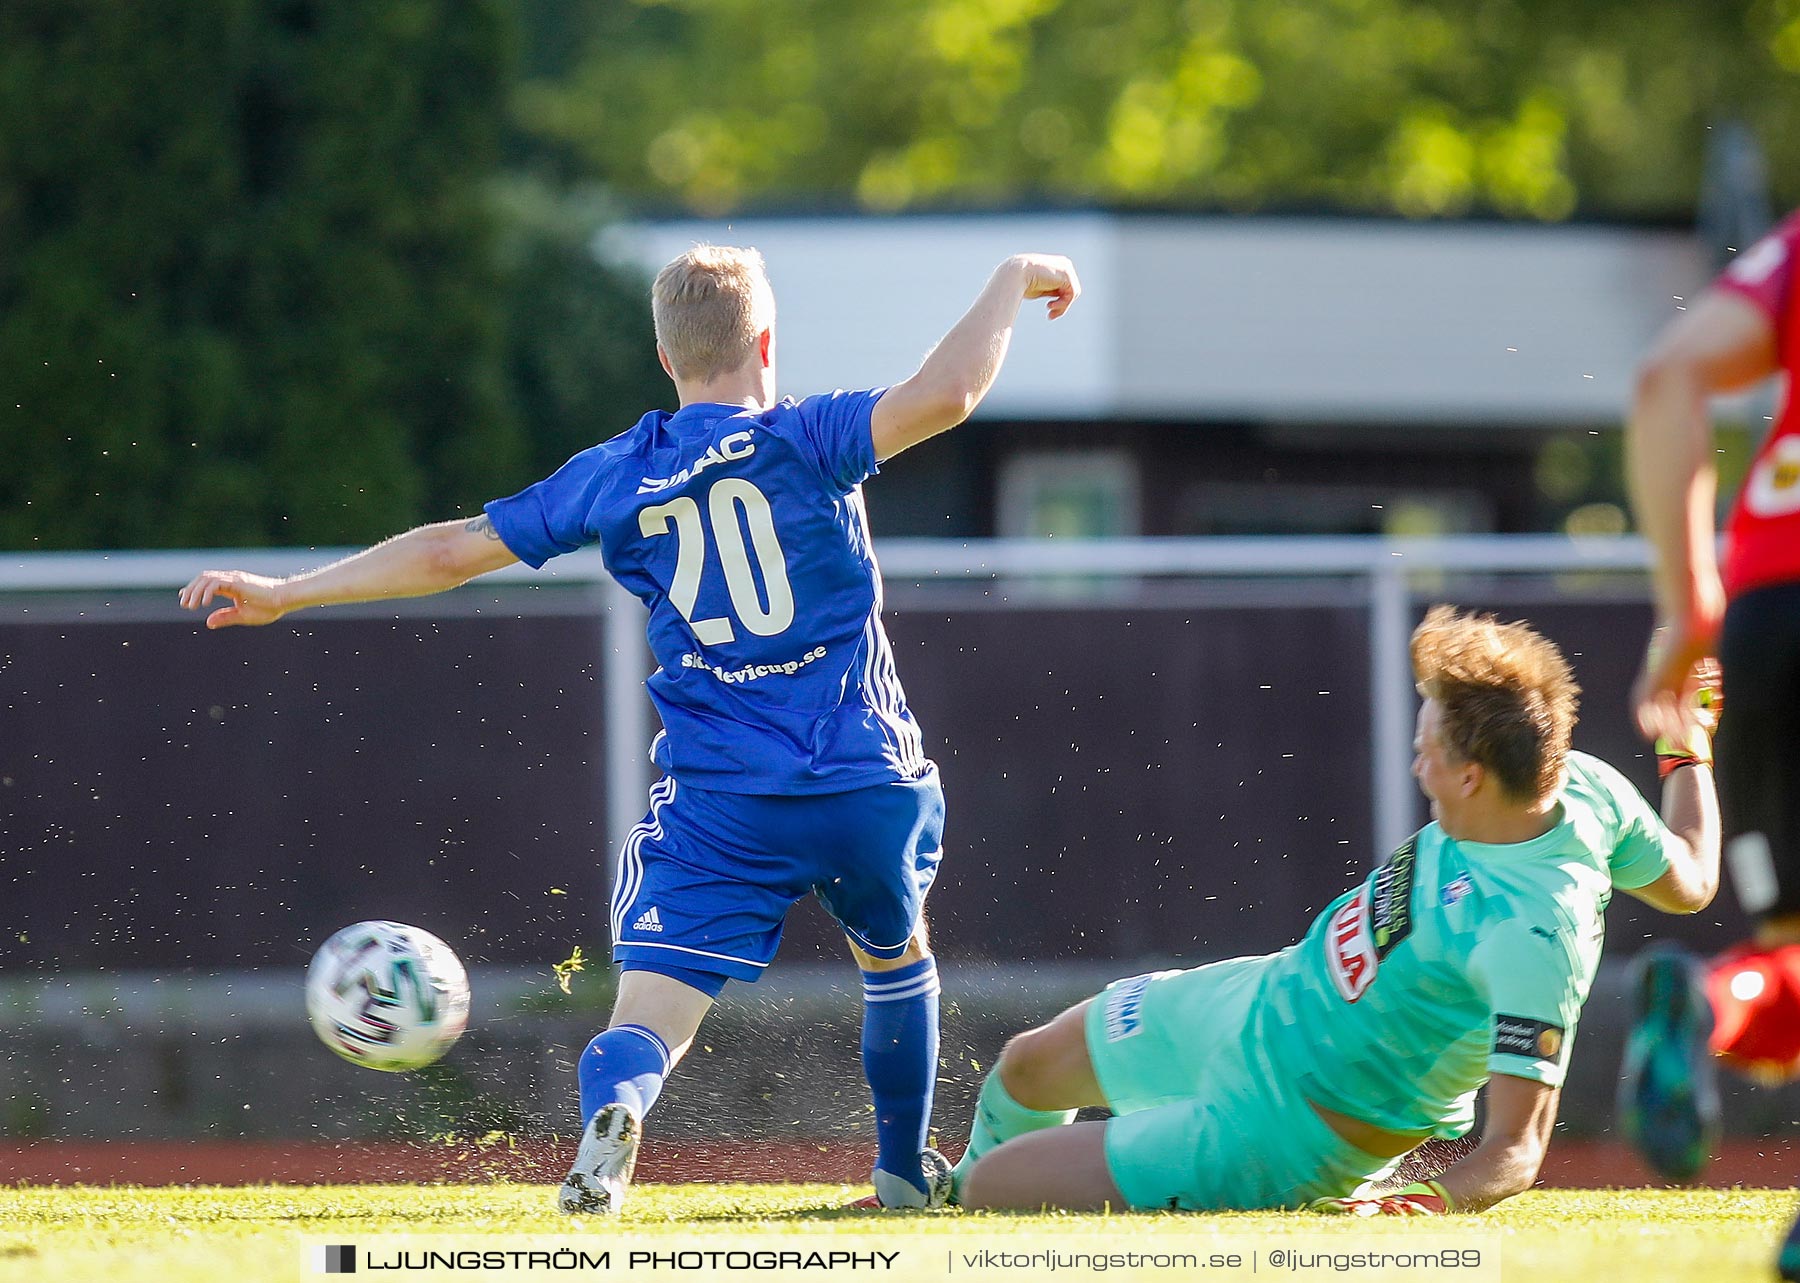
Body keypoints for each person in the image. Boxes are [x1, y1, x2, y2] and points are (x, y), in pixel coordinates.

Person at [180, 244, 1081, 1214]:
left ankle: (618, 1109)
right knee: (897, 959)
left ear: (666, 358)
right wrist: (1011, 279)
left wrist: (287, 591)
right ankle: (903, 1167)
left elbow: (448, 551)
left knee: (651, 1011)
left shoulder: (619, 472)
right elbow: (947, 394)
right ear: (766, 340)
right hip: (863, 773)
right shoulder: (809, 434)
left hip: (726, 797)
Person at [949, 606, 1719, 1215]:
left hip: (1282, 1133)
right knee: (1025, 1066)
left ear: (1476, 775)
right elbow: (1691, 874)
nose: (1417, 760)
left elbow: (1516, 1150)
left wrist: (1410, 1205)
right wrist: (1687, 749)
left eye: (1427, 749)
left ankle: (962, 1201)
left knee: (996, 1186)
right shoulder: (1585, 781)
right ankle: (937, 1196)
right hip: (1257, 1000)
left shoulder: (1531, 935)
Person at [1620, 205, 1800, 1276]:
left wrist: (1689, 603)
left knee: (1792, 952)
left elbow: (1666, 379)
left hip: (1771, 606)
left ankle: (1708, 1000)